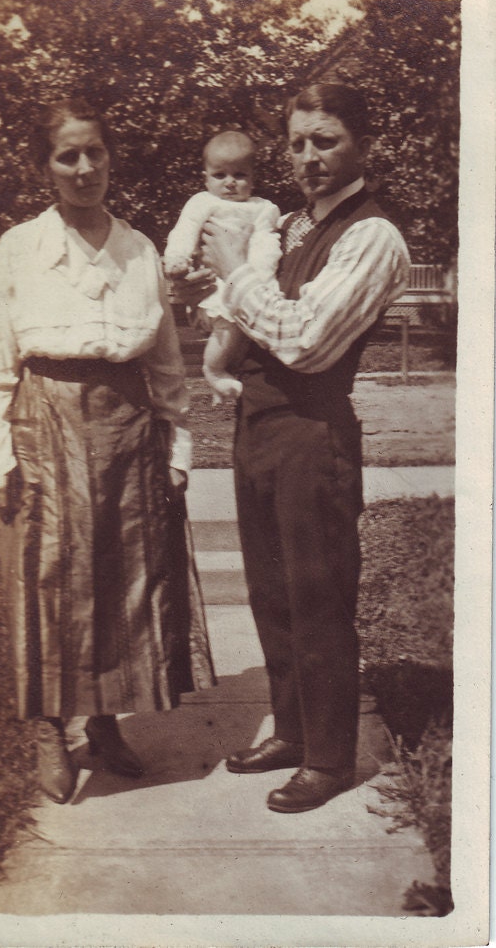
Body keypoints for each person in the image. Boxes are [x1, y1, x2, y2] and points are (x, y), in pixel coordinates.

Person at [0, 97, 216, 805]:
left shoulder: (139, 249)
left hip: (129, 430)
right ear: (44, 167)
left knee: (123, 577)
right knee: (50, 577)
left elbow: (167, 364)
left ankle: (107, 720)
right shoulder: (20, 247)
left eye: (95, 153)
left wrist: (178, 446)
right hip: (46, 425)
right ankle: (52, 724)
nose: (84, 169)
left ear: (111, 157)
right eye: (67, 155)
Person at [179, 82, 410, 813]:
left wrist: (235, 271)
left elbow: (304, 340)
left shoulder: (372, 235)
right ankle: (290, 729)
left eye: (327, 140)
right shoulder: (287, 225)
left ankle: (330, 756)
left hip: (314, 435)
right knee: (270, 593)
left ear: (362, 145)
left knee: (317, 597)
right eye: (298, 141)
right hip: (261, 427)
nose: (308, 157)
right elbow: (252, 312)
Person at [164, 131, 281, 405]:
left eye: (239, 175)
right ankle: (213, 369)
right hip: (214, 286)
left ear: (253, 178)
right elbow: (185, 231)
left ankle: (231, 372)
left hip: (249, 279)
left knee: (241, 332)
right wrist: (177, 259)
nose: (229, 183)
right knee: (227, 327)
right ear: (205, 177)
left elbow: (267, 242)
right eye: (220, 175)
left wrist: (261, 275)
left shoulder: (263, 208)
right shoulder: (202, 202)